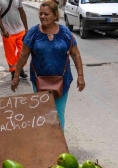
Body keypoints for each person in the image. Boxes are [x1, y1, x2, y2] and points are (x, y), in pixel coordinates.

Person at [10, 0, 85, 131]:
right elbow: (23, 56)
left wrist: (80, 76)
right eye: (41, 13)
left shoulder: (65, 33)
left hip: (62, 81)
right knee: (43, 113)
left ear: (55, 15)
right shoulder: (33, 33)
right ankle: (47, 143)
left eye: (47, 14)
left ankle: (59, 144)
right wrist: (16, 77)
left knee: (58, 113)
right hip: (40, 81)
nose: (43, 16)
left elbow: (76, 54)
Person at [0, 0, 28, 79]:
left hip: (20, 29)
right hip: (7, 32)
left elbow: (22, 12)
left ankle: (19, 68)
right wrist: (3, 30)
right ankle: (14, 71)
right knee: (10, 53)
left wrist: (26, 28)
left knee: (24, 51)